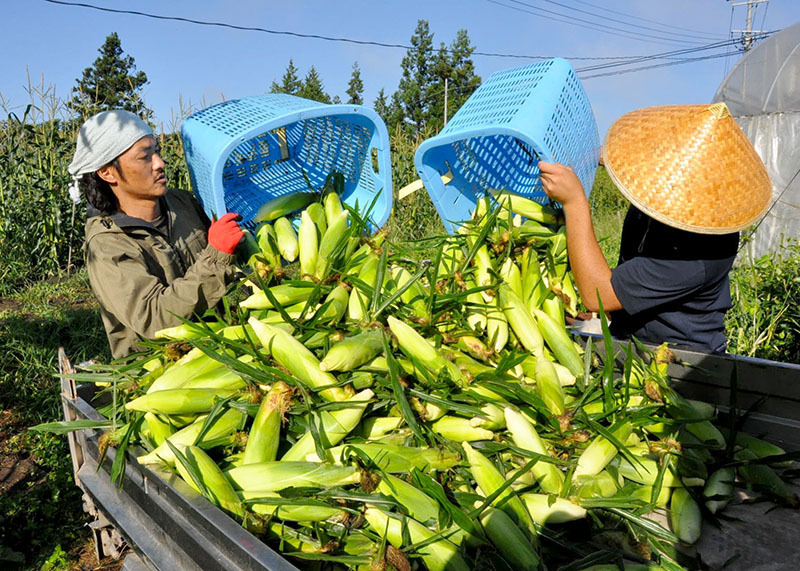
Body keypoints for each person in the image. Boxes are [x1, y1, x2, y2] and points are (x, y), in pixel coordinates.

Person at [539, 103, 772, 354]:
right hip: (631, 338)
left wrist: (574, 203)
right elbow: (632, 283)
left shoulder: (702, 250)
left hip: (676, 358)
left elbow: (598, 294)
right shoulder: (657, 198)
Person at [68, 110, 244, 358]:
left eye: (157, 151)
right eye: (144, 157)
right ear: (108, 172)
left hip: (222, 342)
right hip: (162, 366)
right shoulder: (107, 245)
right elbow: (155, 318)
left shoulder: (182, 203)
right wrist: (217, 256)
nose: (160, 163)